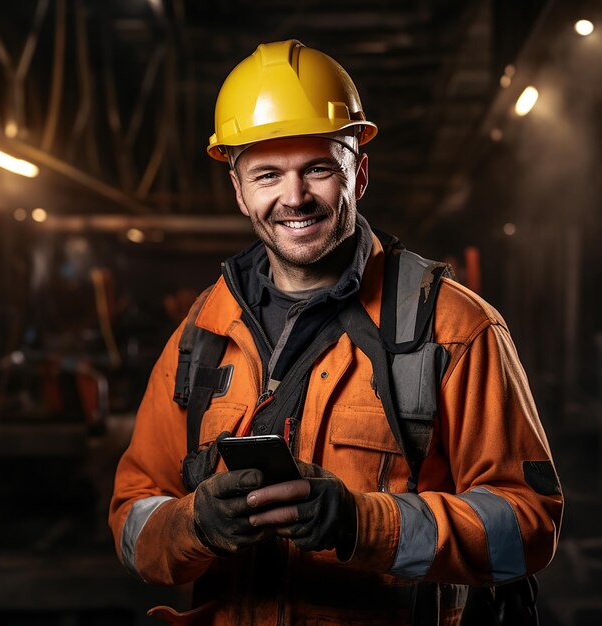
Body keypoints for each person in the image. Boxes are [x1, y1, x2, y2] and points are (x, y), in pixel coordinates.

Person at [109, 40, 563, 625]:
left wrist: (362, 523)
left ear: (360, 173)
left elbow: (529, 527)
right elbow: (131, 517)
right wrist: (194, 524)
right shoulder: (203, 331)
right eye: (267, 174)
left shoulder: (454, 329)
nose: (293, 197)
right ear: (239, 189)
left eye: (318, 169)